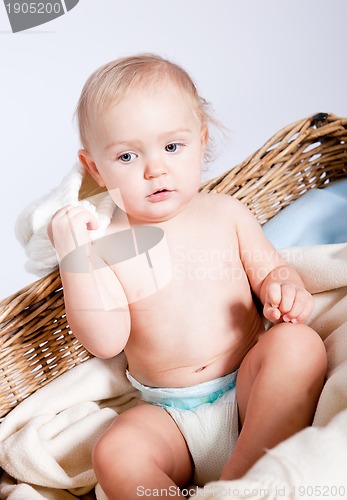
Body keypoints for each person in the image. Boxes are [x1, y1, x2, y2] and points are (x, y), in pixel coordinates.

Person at [48, 54, 327, 499]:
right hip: (169, 416)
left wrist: (285, 288)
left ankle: (237, 488)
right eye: (126, 155)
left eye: (172, 147)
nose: (154, 169)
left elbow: (272, 270)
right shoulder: (105, 244)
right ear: (95, 169)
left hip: (250, 390)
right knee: (114, 452)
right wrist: (73, 255)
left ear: (201, 140)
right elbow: (105, 341)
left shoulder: (226, 214)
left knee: (299, 346)